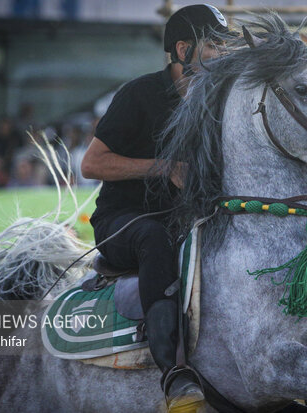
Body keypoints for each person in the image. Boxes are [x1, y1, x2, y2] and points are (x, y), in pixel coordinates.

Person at [81, 4, 228, 411]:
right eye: (214, 45)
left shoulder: (216, 103)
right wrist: (164, 168)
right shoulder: (137, 93)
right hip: (122, 224)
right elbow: (91, 163)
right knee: (154, 236)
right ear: (183, 49)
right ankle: (174, 373)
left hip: (185, 222)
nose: (223, 53)